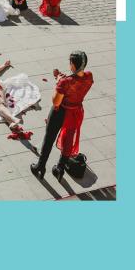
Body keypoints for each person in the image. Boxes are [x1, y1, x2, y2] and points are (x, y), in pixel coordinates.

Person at [30, 51, 93, 181]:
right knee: (69, 139)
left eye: (70, 63)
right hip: (76, 112)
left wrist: (59, 82)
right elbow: (76, 84)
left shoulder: (65, 82)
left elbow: (56, 101)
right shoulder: (89, 76)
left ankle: (40, 167)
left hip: (61, 112)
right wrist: (64, 80)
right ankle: (60, 168)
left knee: (49, 139)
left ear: (73, 66)